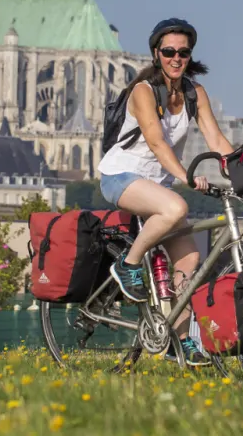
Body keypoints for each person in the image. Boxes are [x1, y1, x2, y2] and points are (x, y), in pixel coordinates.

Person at [98, 18, 233, 365]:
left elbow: (217, 140)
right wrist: (187, 177)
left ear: (190, 56)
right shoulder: (143, 91)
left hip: (158, 186)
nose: (176, 58)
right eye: (169, 52)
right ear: (156, 54)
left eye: (183, 53)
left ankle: (181, 339)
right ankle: (127, 265)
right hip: (121, 177)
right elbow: (157, 143)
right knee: (175, 208)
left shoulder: (194, 93)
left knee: (188, 260)